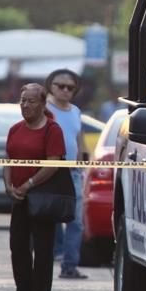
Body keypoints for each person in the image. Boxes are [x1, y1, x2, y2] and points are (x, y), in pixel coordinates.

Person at [3, 83, 67, 291]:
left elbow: (53, 162)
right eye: (22, 100)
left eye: (30, 101)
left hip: (41, 198)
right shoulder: (15, 129)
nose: (25, 105)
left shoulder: (52, 130)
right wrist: (9, 185)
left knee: (42, 248)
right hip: (19, 198)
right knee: (18, 247)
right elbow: (9, 158)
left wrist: (29, 184)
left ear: (42, 104)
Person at [45, 69, 88, 279]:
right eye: (60, 86)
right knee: (48, 217)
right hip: (49, 170)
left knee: (76, 221)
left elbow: (78, 138)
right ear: (50, 86)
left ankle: (70, 265)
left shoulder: (75, 111)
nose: (64, 90)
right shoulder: (44, 109)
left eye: (69, 87)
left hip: (72, 171)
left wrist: (82, 160)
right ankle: (48, 258)